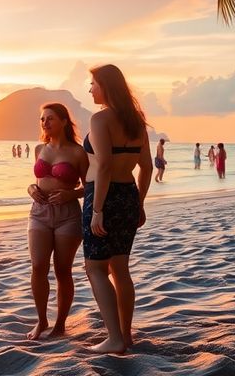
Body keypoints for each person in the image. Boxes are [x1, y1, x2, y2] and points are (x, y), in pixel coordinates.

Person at [82, 64, 153, 354]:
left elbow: (104, 165)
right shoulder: (136, 120)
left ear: (106, 86)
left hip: (104, 196)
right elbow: (146, 166)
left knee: (95, 268)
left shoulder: (99, 119)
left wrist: (97, 209)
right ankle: (125, 334)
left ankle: (113, 339)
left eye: (93, 83)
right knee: (120, 268)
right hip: (128, 195)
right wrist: (140, 203)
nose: (90, 89)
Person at [25, 103, 89, 340]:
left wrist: (71, 194)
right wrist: (30, 187)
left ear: (63, 121)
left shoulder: (77, 152)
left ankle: (60, 324)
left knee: (63, 270)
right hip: (39, 213)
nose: (45, 123)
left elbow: (89, 186)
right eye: (42, 119)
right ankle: (41, 321)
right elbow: (37, 180)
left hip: (68, 216)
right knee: (38, 266)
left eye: (50, 118)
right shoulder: (39, 148)